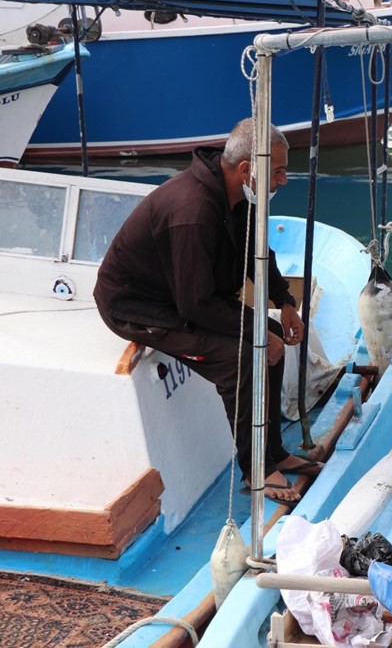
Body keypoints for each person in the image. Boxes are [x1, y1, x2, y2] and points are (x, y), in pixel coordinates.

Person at [94, 118, 317, 506]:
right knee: (243, 356)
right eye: (279, 170)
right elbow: (194, 305)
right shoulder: (193, 210)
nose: (282, 180)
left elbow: (257, 253)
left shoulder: (235, 195)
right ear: (249, 169)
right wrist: (259, 336)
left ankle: (274, 450)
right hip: (141, 307)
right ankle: (256, 470)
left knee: (271, 333)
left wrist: (285, 302)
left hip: (187, 294)